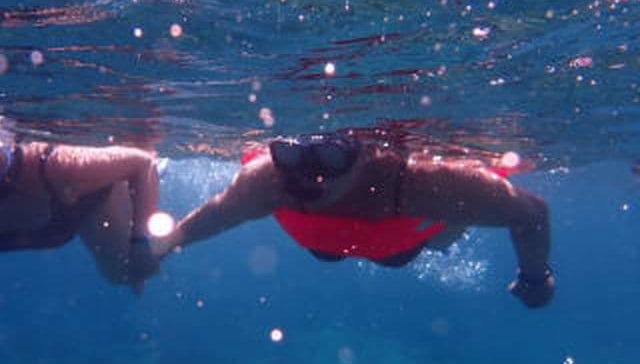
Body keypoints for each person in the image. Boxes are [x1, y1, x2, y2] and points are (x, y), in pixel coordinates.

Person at [159, 131, 554, 308]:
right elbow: (219, 213)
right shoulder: (270, 177)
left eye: (333, 158)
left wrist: (536, 277)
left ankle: (444, 232)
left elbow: (531, 213)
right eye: (294, 155)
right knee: (327, 252)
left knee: (414, 250)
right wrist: (165, 242)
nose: (311, 176)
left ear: (366, 155)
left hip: (398, 241)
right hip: (322, 242)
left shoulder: (427, 183)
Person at [0, 126, 161, 291]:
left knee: (124, 273)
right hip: (62, 200)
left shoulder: (54, 167)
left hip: (88, 195)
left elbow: (142, 163)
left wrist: (140, 242)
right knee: (124, 273)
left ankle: (178, 234)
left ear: (11, 148)